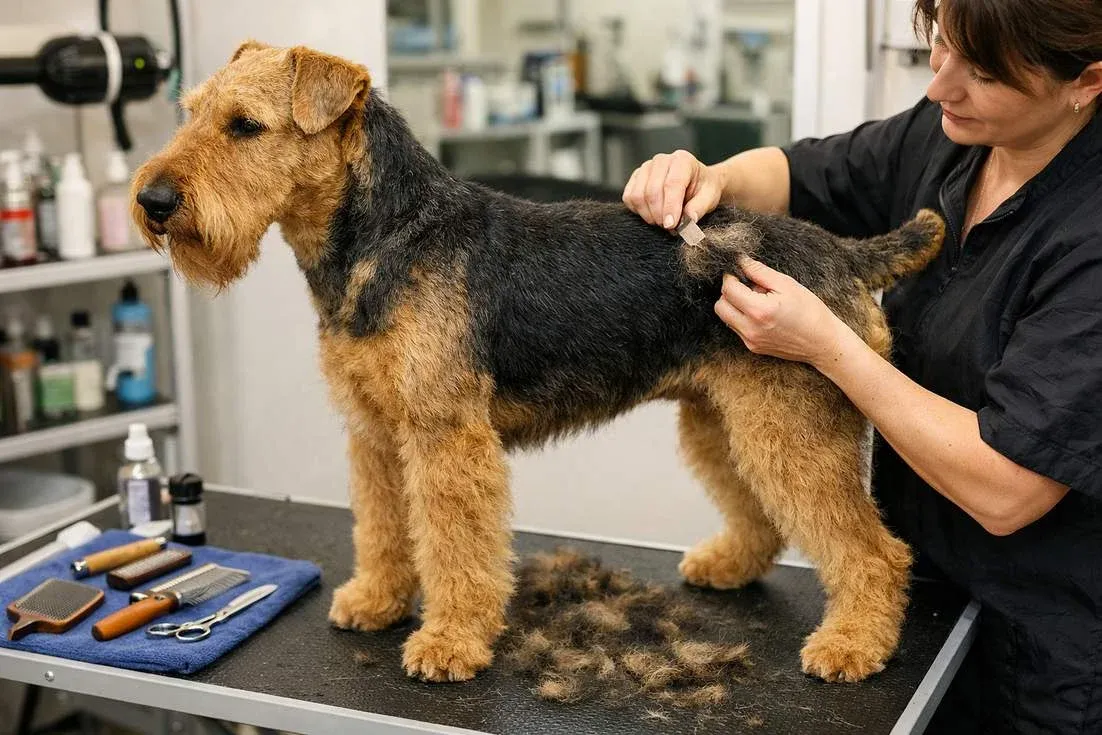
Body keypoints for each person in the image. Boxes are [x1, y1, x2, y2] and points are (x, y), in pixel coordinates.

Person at [622, 1, 1102, 732]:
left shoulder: (1089, 237)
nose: (940, 86)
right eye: (939, 46)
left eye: (982, 73)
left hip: (1039, 654)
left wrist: (827, 348)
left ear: (1087, 81)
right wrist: (704, 176)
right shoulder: (951, 138)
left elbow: (1008, 489)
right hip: (927, 598)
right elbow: (796, 173)